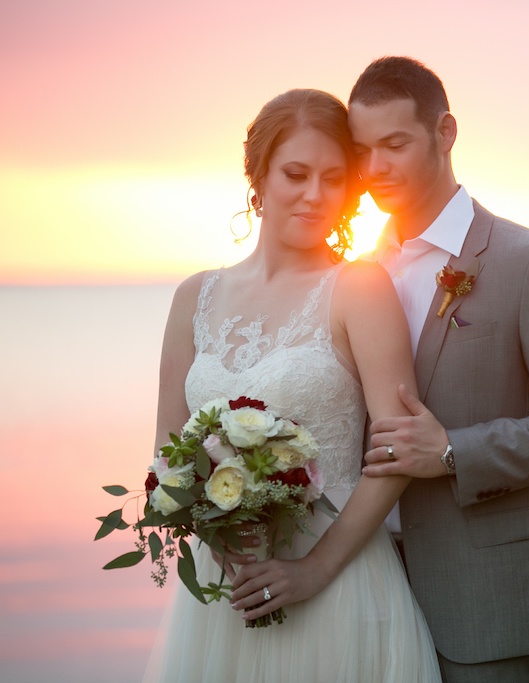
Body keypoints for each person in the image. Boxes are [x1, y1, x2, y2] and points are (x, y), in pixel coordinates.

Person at [144, 88, 441, 683]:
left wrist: (313, 571)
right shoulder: (192, 298)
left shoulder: (359, 287)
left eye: (333, 178)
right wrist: (214, 527)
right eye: (295, 174)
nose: (314, 195)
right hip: (227, 588)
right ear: (258, 178)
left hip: (337, 582)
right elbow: (167, 457)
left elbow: (395, 453)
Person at [349, 57, 529, 682]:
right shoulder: (357, 276)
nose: (375, 170)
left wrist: (453, 453)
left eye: (395, 144)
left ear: (445, 133)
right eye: (362, 150)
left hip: (489, 598)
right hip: (369, 593)